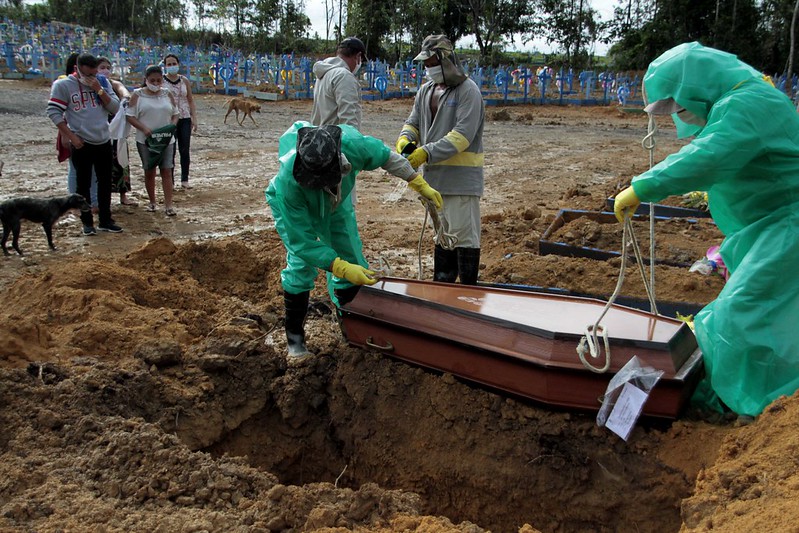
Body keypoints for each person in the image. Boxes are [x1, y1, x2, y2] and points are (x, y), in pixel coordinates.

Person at [612, 42, 799, 418]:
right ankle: (759, 396)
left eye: (677, 104)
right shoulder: (740, 102)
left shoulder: (748, 105)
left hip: (787, 228)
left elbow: (710, 155)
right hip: (767, 228)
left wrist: (643, 186)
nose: (679, 114)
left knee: (738, 315)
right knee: (769, 316)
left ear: (697, 84)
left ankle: (740, 404)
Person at [265, 121, 443, 358]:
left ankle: (351, 330)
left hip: (336, 203)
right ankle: (295, 342)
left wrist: (416, 181)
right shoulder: (288, 184)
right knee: (300, 264)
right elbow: (302, 242)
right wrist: (337, 266)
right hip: (299, 210)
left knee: (349, 252)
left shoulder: (353, 144)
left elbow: (386, 157)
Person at [395, 35, 485, 285]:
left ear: (445, 59)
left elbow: (462, 136)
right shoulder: (426, 91)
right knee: (442, 237)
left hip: (461, 184)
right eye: (425, 64)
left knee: (464, 240)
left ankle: (468, 294)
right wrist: (405, 139)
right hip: (434, 182)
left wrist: (426, 152)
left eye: (431, 62)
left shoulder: (468, 92)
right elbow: (413, 122)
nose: (427, 68)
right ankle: (443, 289)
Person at [48, 52, 123, 234]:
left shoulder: (102, 82)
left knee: (105, 182)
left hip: (103, 139)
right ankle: (87, 222)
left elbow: (114, 107)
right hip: (81, 142)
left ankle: (106, 219)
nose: (91, 77)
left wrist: (99, 89)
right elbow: (53, 112)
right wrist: (71, 136)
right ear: (77, 69)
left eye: (93, 73)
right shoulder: (63, 85)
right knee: (83, 184)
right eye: (87, 74)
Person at [126, 65, 179, 216]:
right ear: (146, 80)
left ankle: (169, 205)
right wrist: (143, 129)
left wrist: (172, 126)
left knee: (167, 170)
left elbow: (175, 113)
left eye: (158, 80)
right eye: (152, 80)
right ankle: (152, 202)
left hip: (166, 140)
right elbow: (129, 115)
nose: (155, 83)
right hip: (146, 140)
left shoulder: (167, 94)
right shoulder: (138, 95)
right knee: (149, 171)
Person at [59, 52, 98, 213]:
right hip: (74, 133)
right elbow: (61, 113)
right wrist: (66, 135)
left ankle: (93, 202)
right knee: (75, 170)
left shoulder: (94, 83)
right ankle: (74, 203)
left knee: (93, 171)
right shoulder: (64, 84)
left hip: (93, 134)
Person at [97, 56, 136, 206]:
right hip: (100, 129)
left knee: (120, 160)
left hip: (117, 129)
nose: (105, 70)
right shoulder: (92, 86)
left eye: (107, 67)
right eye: (102, 67)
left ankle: (123, 195)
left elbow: (124, 92)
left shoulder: (114, 84)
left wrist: (125, 99)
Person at [310, 37, 366, 130]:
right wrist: (352, 142)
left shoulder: (325, 73)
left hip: (320, 137)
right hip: (336, 140)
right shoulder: (344, 76)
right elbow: (349, 118)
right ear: (358, 56)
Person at [163, 53, 197, 190]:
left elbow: (190, 99)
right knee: (170, 150)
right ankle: (169, 181)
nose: (172, 66)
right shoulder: (162, 81)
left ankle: (184, 179)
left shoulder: (184, 81)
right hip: (169, 119)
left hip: (184, 117)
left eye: (174, 63)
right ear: (165, 66)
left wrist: (194, 118)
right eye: (169, 64)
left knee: (184, 149)